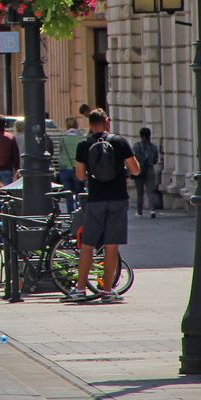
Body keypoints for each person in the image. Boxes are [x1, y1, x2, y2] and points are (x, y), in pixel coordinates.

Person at [64, 109, 139, 303]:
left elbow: (80, 176)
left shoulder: (84, 145)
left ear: (90, 124)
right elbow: (135, 169)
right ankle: (107, 291)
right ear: (106, 121)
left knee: (87, 245)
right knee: (111, 246)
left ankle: (80, 289)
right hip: (118, 198)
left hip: (95, 199)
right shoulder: (119, 142)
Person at [132, 126, 160, 218]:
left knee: (139, 193)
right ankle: (152, 210)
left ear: (141, 136)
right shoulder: (153, 147)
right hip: (150, 170)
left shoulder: (136, 146)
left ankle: (139, 212)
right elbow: (155, 160)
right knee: (150, 192)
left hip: (139, 171)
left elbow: (133, 158)